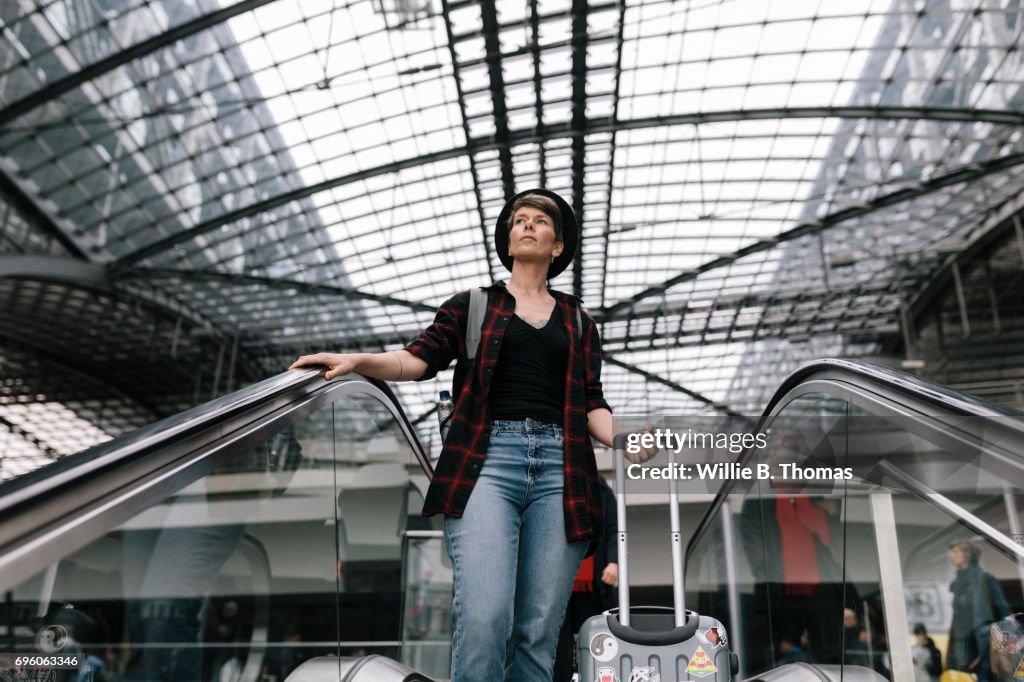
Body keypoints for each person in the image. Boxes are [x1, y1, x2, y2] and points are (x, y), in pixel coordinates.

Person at [290, 189, 656, 682]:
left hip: (562, 473)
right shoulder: (473, 305)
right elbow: (417, 359)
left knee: (539, 630)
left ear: (556, 246)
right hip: (487, 463)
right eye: (518, 220)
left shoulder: (578, 320)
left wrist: (626, 440)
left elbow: (591, 402)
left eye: (540, 221)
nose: (527, 225)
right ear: (508, 241)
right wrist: (358, 362)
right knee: (485, 616)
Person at [553, 476, 618, 682]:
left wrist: (614, 562)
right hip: (557, 581)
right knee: (557, 645)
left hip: (592, 583)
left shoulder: (603, 491)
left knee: (594, 641)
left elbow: (614, 530)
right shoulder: (553, 484)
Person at [946, 539, 1009, 681]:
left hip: (982, 643)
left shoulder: (985, 579)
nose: (952, 555)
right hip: (960, 643)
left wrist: (1000, 644)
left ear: (967, 554)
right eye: (952, 552)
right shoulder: (957, 584)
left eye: (956, 551)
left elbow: (1003, 613)